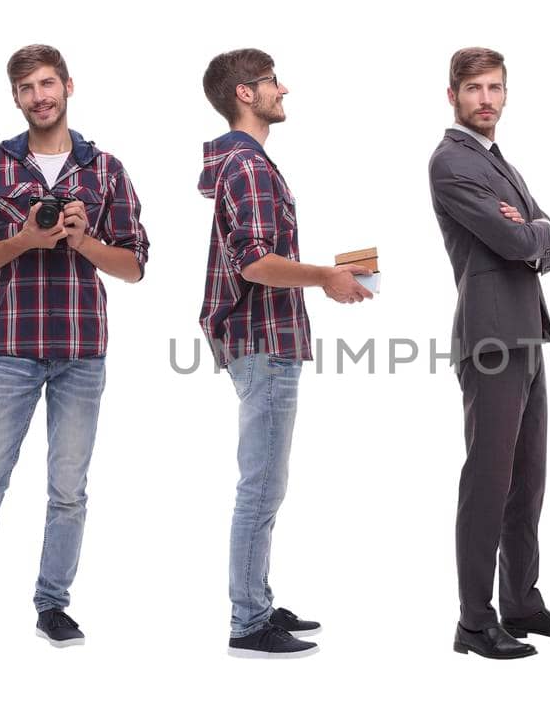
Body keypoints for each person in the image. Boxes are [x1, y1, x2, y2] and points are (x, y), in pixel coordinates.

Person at [0, 44, 149, 659]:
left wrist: (82, 239)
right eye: (27, 88)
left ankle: (53, 606)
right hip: (13, 350)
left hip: (82, 352)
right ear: (15, 98)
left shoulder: (106, 170)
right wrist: (22, 239)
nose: (40, 96)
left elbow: (135, 267)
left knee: (68, 489)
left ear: (68, 85)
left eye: (48, 83)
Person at [198, 47, 372, 659]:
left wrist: (326, 278)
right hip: (263, 341)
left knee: (266, 481)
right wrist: (327, 276)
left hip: (262, 338)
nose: (283, 90)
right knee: (262, 485)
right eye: (272, 82)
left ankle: (259, 600)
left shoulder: (244, 163)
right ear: (245, 93)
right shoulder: (249, 167)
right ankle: (248, 622)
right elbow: (252, 262)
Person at [428, 46, 550, 661]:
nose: (486, 100)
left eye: (495, 88)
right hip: (491, 337)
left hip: (526, 333)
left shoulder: (497, 161)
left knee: (528, 479)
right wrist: (534, 231)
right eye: (474, 89)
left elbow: (545, 236)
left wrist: (536, 231)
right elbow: (516, 236)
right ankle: (475, 621)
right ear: (453, 96)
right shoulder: (450, 161)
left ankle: (521, 602)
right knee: (489, 480)